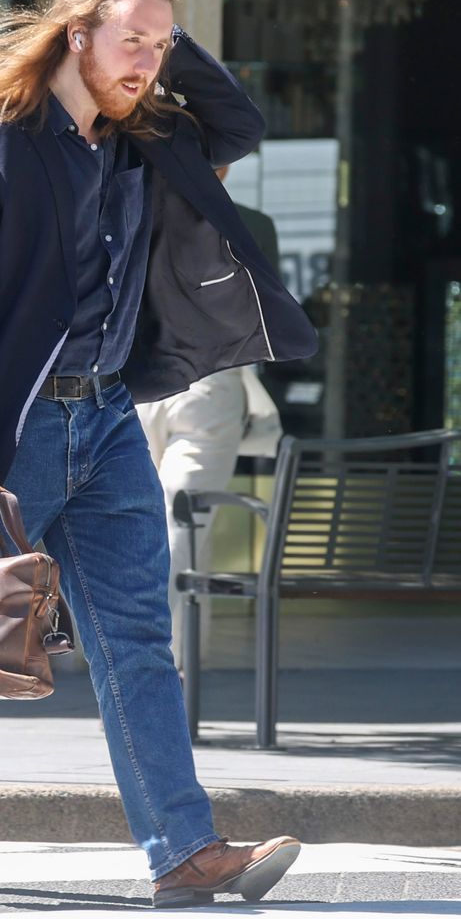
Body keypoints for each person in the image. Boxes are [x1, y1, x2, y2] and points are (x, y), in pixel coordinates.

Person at [0, 0, 317, 907]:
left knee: (136, 639)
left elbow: (241, 123)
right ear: (72, 33)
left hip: (108, 418)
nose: (145, 63)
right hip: (13, 430)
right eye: (127, 41)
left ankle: (183, 849)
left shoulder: (143, 138)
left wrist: (160, 39)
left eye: (159, 47)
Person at [136, 166, 283, 661]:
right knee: (181, 523)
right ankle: (162, 672)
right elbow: (269, 317)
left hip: (137, 384)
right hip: (200, 384)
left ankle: (153, 670)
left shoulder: (123, 208)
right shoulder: (251, 224)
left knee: (160, 523)